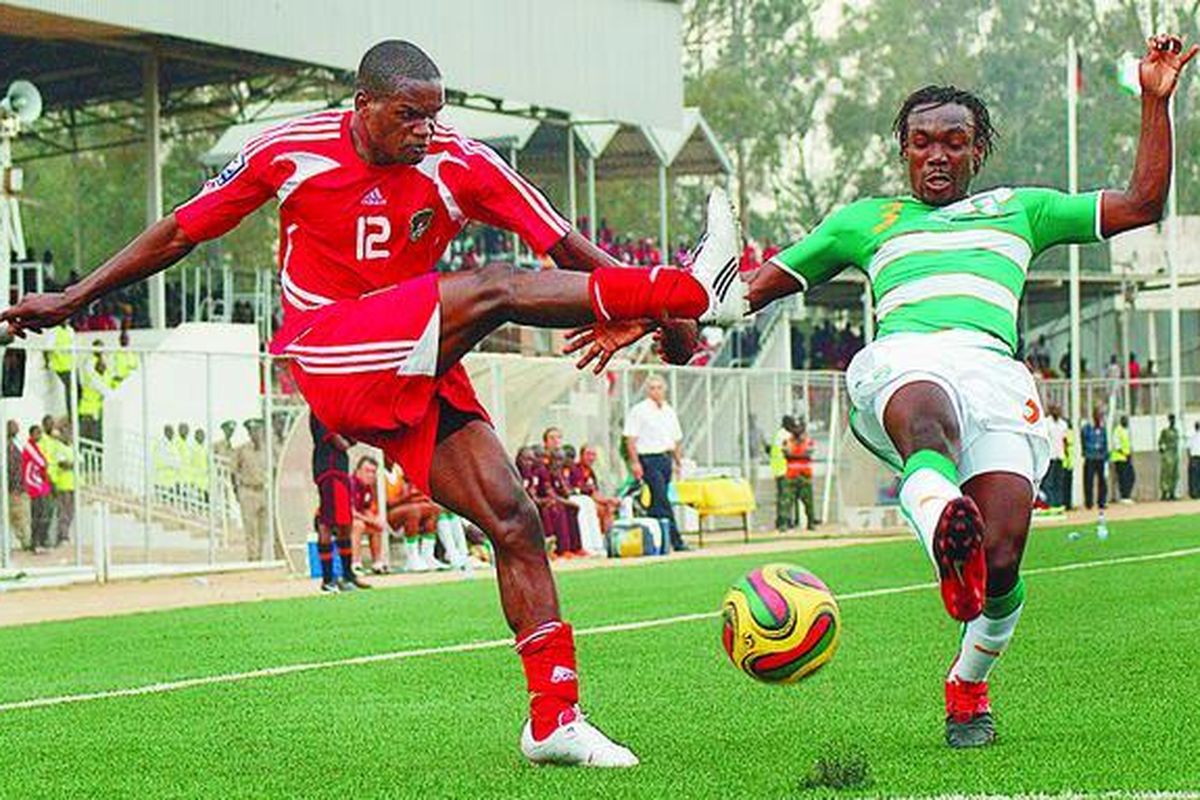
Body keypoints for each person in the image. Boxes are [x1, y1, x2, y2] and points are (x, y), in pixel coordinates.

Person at [0, 39, 748, 768]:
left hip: (415, 355)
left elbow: (564, 244)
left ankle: (553, 721)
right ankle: (691, 285)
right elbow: (178, 232)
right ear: (362, 105)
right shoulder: (289, 151)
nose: (426, 131)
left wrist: (662, 329)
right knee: (491, 286)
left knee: (513, 517)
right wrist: (75, 296)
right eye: (408, 116)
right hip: (330, 350)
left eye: (434, 115)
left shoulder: (462, 164)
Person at [734, 34, 1195, 749]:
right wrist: (671, 317)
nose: (937, 155)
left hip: (995, 376)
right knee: (928, 414)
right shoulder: (867, 221)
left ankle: (968, 679)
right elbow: (753, 292)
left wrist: (1155, 101)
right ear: (902, 151)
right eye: (921, 143)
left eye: (955, 141)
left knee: (1004, 555)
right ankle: (947, 525)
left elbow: (1141, 204)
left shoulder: (1023, 209)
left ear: (979, 151)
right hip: (905, 360)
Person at [623, 375, 686, 553]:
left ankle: (655, 539)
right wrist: (635, 463)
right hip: (648, 458)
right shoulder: (639, 410)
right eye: (652, 388)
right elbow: (631, 439)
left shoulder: (668, 410)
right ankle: (677, 539)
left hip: (664, 457)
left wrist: (677, 461)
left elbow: (675, 438)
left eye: (659, 387)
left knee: (658, 501)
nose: (656, 391)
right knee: (661, 498)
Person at [310, 413, 367, 592]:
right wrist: (347, 438)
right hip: (330, 471)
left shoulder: (332, 410)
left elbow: (352, 438)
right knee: (328, 522)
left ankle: (347, 575)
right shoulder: (321, 411)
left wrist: (348, 437)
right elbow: (340, 442)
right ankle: (328, 580)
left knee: (344, 523)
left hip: (339, 472)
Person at [231, 419, 268, 560]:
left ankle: (260, 556)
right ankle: (252, 558)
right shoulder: (242, 450)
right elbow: (233, 472)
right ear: (249, 433)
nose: (256, 434)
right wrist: (236, 492)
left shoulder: (266, 449)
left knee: (262, 528)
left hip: (263, 490)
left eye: (258, 430)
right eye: (252, 431)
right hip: (248, 491)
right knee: (250, 528)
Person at [22, 424, 53, 552]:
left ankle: (42, 540)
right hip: (33, 484)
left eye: (40, 433)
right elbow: (41, 462)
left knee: (46, 511)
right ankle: (35, 542)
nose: (39, 435)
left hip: (40, 483)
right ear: (31, 434)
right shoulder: (29, 446)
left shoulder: (37, 446)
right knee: (38, 514)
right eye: (37, 433)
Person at [44, 423, 75, 546]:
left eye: (70, 433)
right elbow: (63, 464)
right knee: (63, 512)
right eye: (66, 433)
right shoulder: (59, 447)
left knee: (70, 512)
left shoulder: (72, 447)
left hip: (73, 484)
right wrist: (72, 464)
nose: (69, 436)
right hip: (63, 484)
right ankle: (62, 536)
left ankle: (64, 534)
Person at [787, 418, 817, 530]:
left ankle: (811, 523)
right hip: (791, 475)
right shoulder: (788, 440)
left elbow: (808, 454)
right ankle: (786, 524)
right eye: (795, 428)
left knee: (808, 502)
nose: (797, 430)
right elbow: (786, 454)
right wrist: (799, 454)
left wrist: (795, 454)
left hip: (805, 475)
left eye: (799, 427)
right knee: (787, 501)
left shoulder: (808, 441)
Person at [770, 415, 798, 531]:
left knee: (781, 496)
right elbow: (789, 451)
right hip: (785, 469)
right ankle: (784, 522)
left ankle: (781, 521)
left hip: (777, 469)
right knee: (786, 498)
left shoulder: (778, 434)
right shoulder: (786, 435)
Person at [6, 420, 30, 551]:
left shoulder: (19, 444)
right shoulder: (6, 446)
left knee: (21, 515)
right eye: (11, 427)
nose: (15, 429)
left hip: (20, 486)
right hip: (11, 487)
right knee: (16, 515)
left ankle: (25, 541)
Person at [1082, 410, 1109, 511]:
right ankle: (1089, 502)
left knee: (1102, 481)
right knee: (1088, 480)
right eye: (1098, 415)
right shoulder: (1087, 428)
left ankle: (1101, 502)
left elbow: (1105, 442)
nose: (1099, 418)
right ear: (1094, 416)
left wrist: (1105, 454)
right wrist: (1087, 452)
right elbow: (1084, 441)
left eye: (1101, 416)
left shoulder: (1102, 429)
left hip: (1101, 458)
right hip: (1090, 457)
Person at [1044, 404, 1069, 508]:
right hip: (1050, 456)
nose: (1057, 412)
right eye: (1055, 410)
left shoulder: (1063, 424)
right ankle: (1050, 503)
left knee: (1059, 481)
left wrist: (1066, 454)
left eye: (1059, 410)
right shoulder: (1046, 423)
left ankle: (1058, 504)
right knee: (1049, 482)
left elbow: (1065, 440)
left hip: (1060, 455)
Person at [153, 424, 182, 504]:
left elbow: (177, 459)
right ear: (166, 432)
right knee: (164, 499)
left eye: (173, 432)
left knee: (174, 499)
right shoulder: (161, 444)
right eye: (171, 431)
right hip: (163, 476)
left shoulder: (173, 444)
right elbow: (165, 459)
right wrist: (174, 463)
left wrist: (176, 463)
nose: (173, 433)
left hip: (173, 477)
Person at [1111, 414, 1134, 504]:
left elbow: (1128, 444)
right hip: (1119, 458)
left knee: (1131, 476)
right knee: (1123, 477)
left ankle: (1127, 494)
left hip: (1127, 457)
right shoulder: (1117, 430)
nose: (1126, 422)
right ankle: (1124, 496)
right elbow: (1116, 445)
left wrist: (1129, 453)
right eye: (1125, 420)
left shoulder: (1126, 430)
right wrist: (1124, 453)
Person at [1157, 413, 1179, 500]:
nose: (1173, 421)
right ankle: (1164, 492)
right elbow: (1161, 442)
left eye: (1174, 419)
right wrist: (1162, 449)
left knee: (1175, 474)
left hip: (1175, 453)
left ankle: (1172, 492)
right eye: (1171, 419)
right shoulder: (1165, 431)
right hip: (1168, 453)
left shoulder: (1176, 430)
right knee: (1166, 473)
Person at [1189, 422, 1200, 499]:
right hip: (1194, 458)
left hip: (1196, 457)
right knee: (1194, 477)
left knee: (1197, 476)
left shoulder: (1192, 436)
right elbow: (1189, 448)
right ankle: (1194, 493)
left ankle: (1197, 492)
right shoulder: (1191, 435)